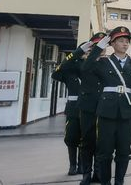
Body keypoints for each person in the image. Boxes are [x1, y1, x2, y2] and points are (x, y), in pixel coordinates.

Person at [83, 27, 131, 185]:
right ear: (113, 43)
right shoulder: (103, 62)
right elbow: (86, 66)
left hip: (127, 113)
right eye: (121, 41)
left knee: (124, 151)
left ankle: (119, 182)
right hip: (106, 113)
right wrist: (99, 47)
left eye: (127, 41)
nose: (125, 44)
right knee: (104, 152)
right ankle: (105, 182)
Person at [66, 32, 107, 185]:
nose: (100, 48)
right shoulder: (82, 63)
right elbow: (65, 66)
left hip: (103, 108)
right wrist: (79, 51)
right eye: (97, 45)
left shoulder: (108, 63)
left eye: (103, 45)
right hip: (87, 108)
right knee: (87, 142)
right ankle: (86, 174)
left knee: (101, 142)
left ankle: (98, 173)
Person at [52, 44, 86, 175]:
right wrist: (75, 55)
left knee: (85, 138)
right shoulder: (69, 72)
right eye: (84, 51)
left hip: (87, 109)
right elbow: (56, 73)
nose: (86, 54)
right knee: (71, 138)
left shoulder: (90, 71)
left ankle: (82, 165)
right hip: (73, 109)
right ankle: (72, 165)